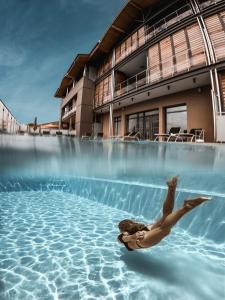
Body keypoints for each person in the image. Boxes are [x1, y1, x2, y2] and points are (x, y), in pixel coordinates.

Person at [117, 176, 209, 251]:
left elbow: (124, 238)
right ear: (131, 223)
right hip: (148, 230)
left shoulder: (124, 234)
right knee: (166, 214)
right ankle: (171, 188)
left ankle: (186, 207)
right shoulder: (142, 227)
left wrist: (132, 236)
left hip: (141, 241)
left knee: (164, 229)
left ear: (122, 229)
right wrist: (133, 235)